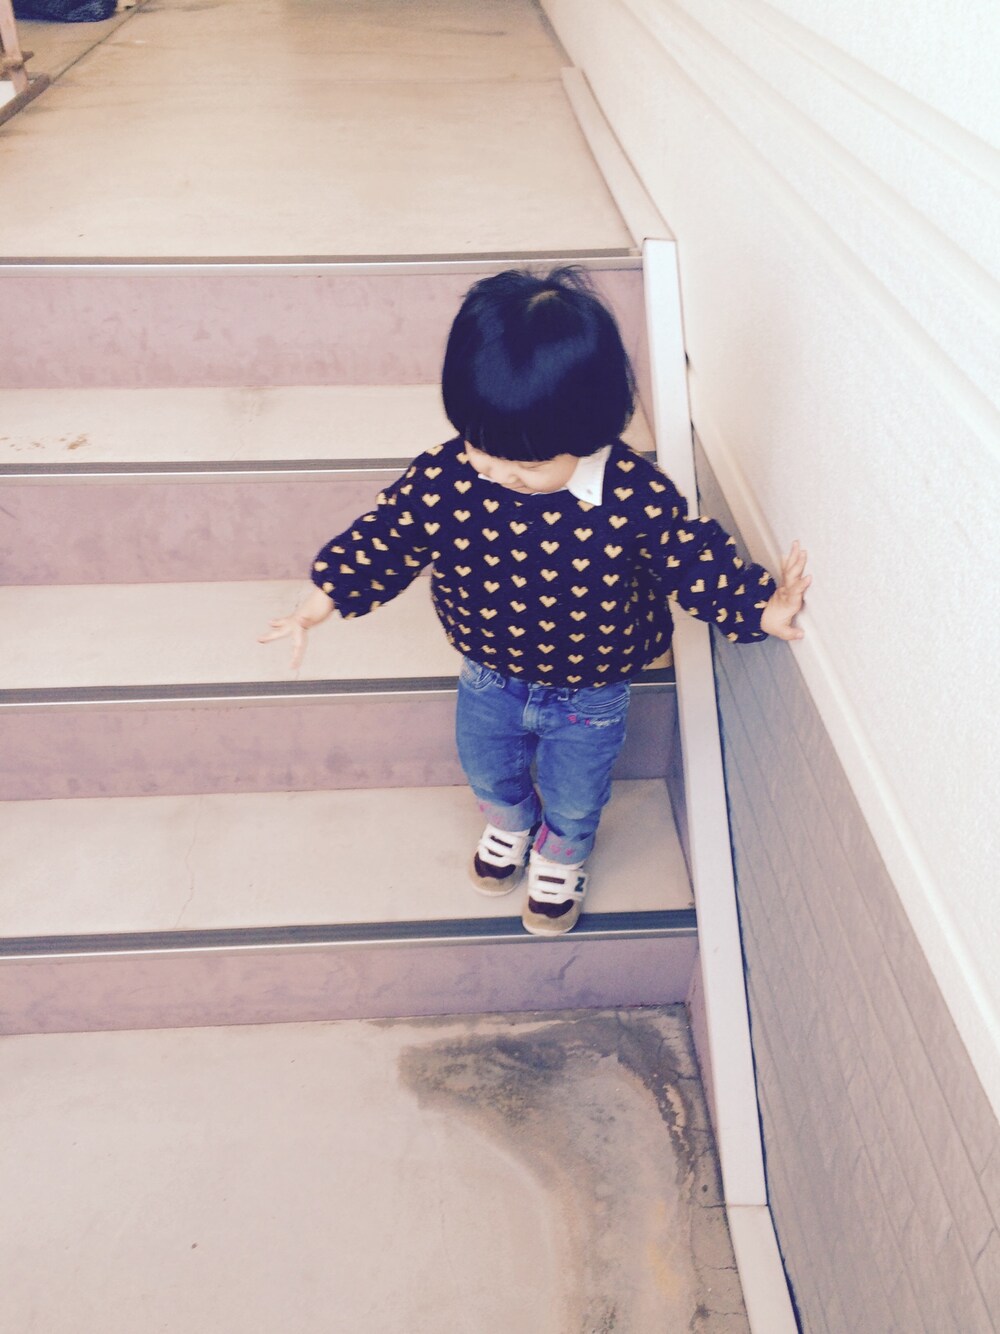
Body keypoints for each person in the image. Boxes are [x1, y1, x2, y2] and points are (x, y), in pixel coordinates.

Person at [260, 268, 810, 936]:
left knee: (577, 795)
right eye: (481, 451)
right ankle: (510, 823)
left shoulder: (634, 496)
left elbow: (689, 558)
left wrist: (759, 607)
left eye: (525, 465)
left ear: (591, 430)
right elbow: (393, 532)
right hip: (487, 671)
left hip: (592, 690)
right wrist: (326, 593)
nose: (499, 474)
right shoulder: (448, 475)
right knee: (487, 768)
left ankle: (562, 854)